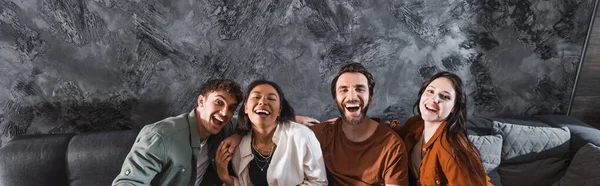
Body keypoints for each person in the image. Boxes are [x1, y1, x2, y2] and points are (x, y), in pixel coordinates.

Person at [112, 79, 318, 186]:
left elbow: (256, 120)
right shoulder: (160, 136)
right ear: (201, 102)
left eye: (231, 108)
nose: (224, 113)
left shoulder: (224, 128)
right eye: (218, 103)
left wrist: (292, 118)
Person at [309, 63, 409, 185]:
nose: (352, 97)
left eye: (359, 89)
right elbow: (283, 130)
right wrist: (294, 118)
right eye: (344, 90)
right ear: (336, 99)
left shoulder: (392, 146)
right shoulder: (321, 134)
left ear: (370, 97)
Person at [215, 80, 327, 186]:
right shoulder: (239, 145)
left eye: (271, 99)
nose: (263, 102)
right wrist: (225, 177)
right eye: (256, 97)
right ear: (246, 108)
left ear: (279, 110)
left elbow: (318, 182)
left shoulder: (301, 136)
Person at [390, 72, 492, 186]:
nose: (434, 99)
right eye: (430, 91)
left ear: (454, 108)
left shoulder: (452, 149)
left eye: (445, 97)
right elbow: (390, 136)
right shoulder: (416, 124)